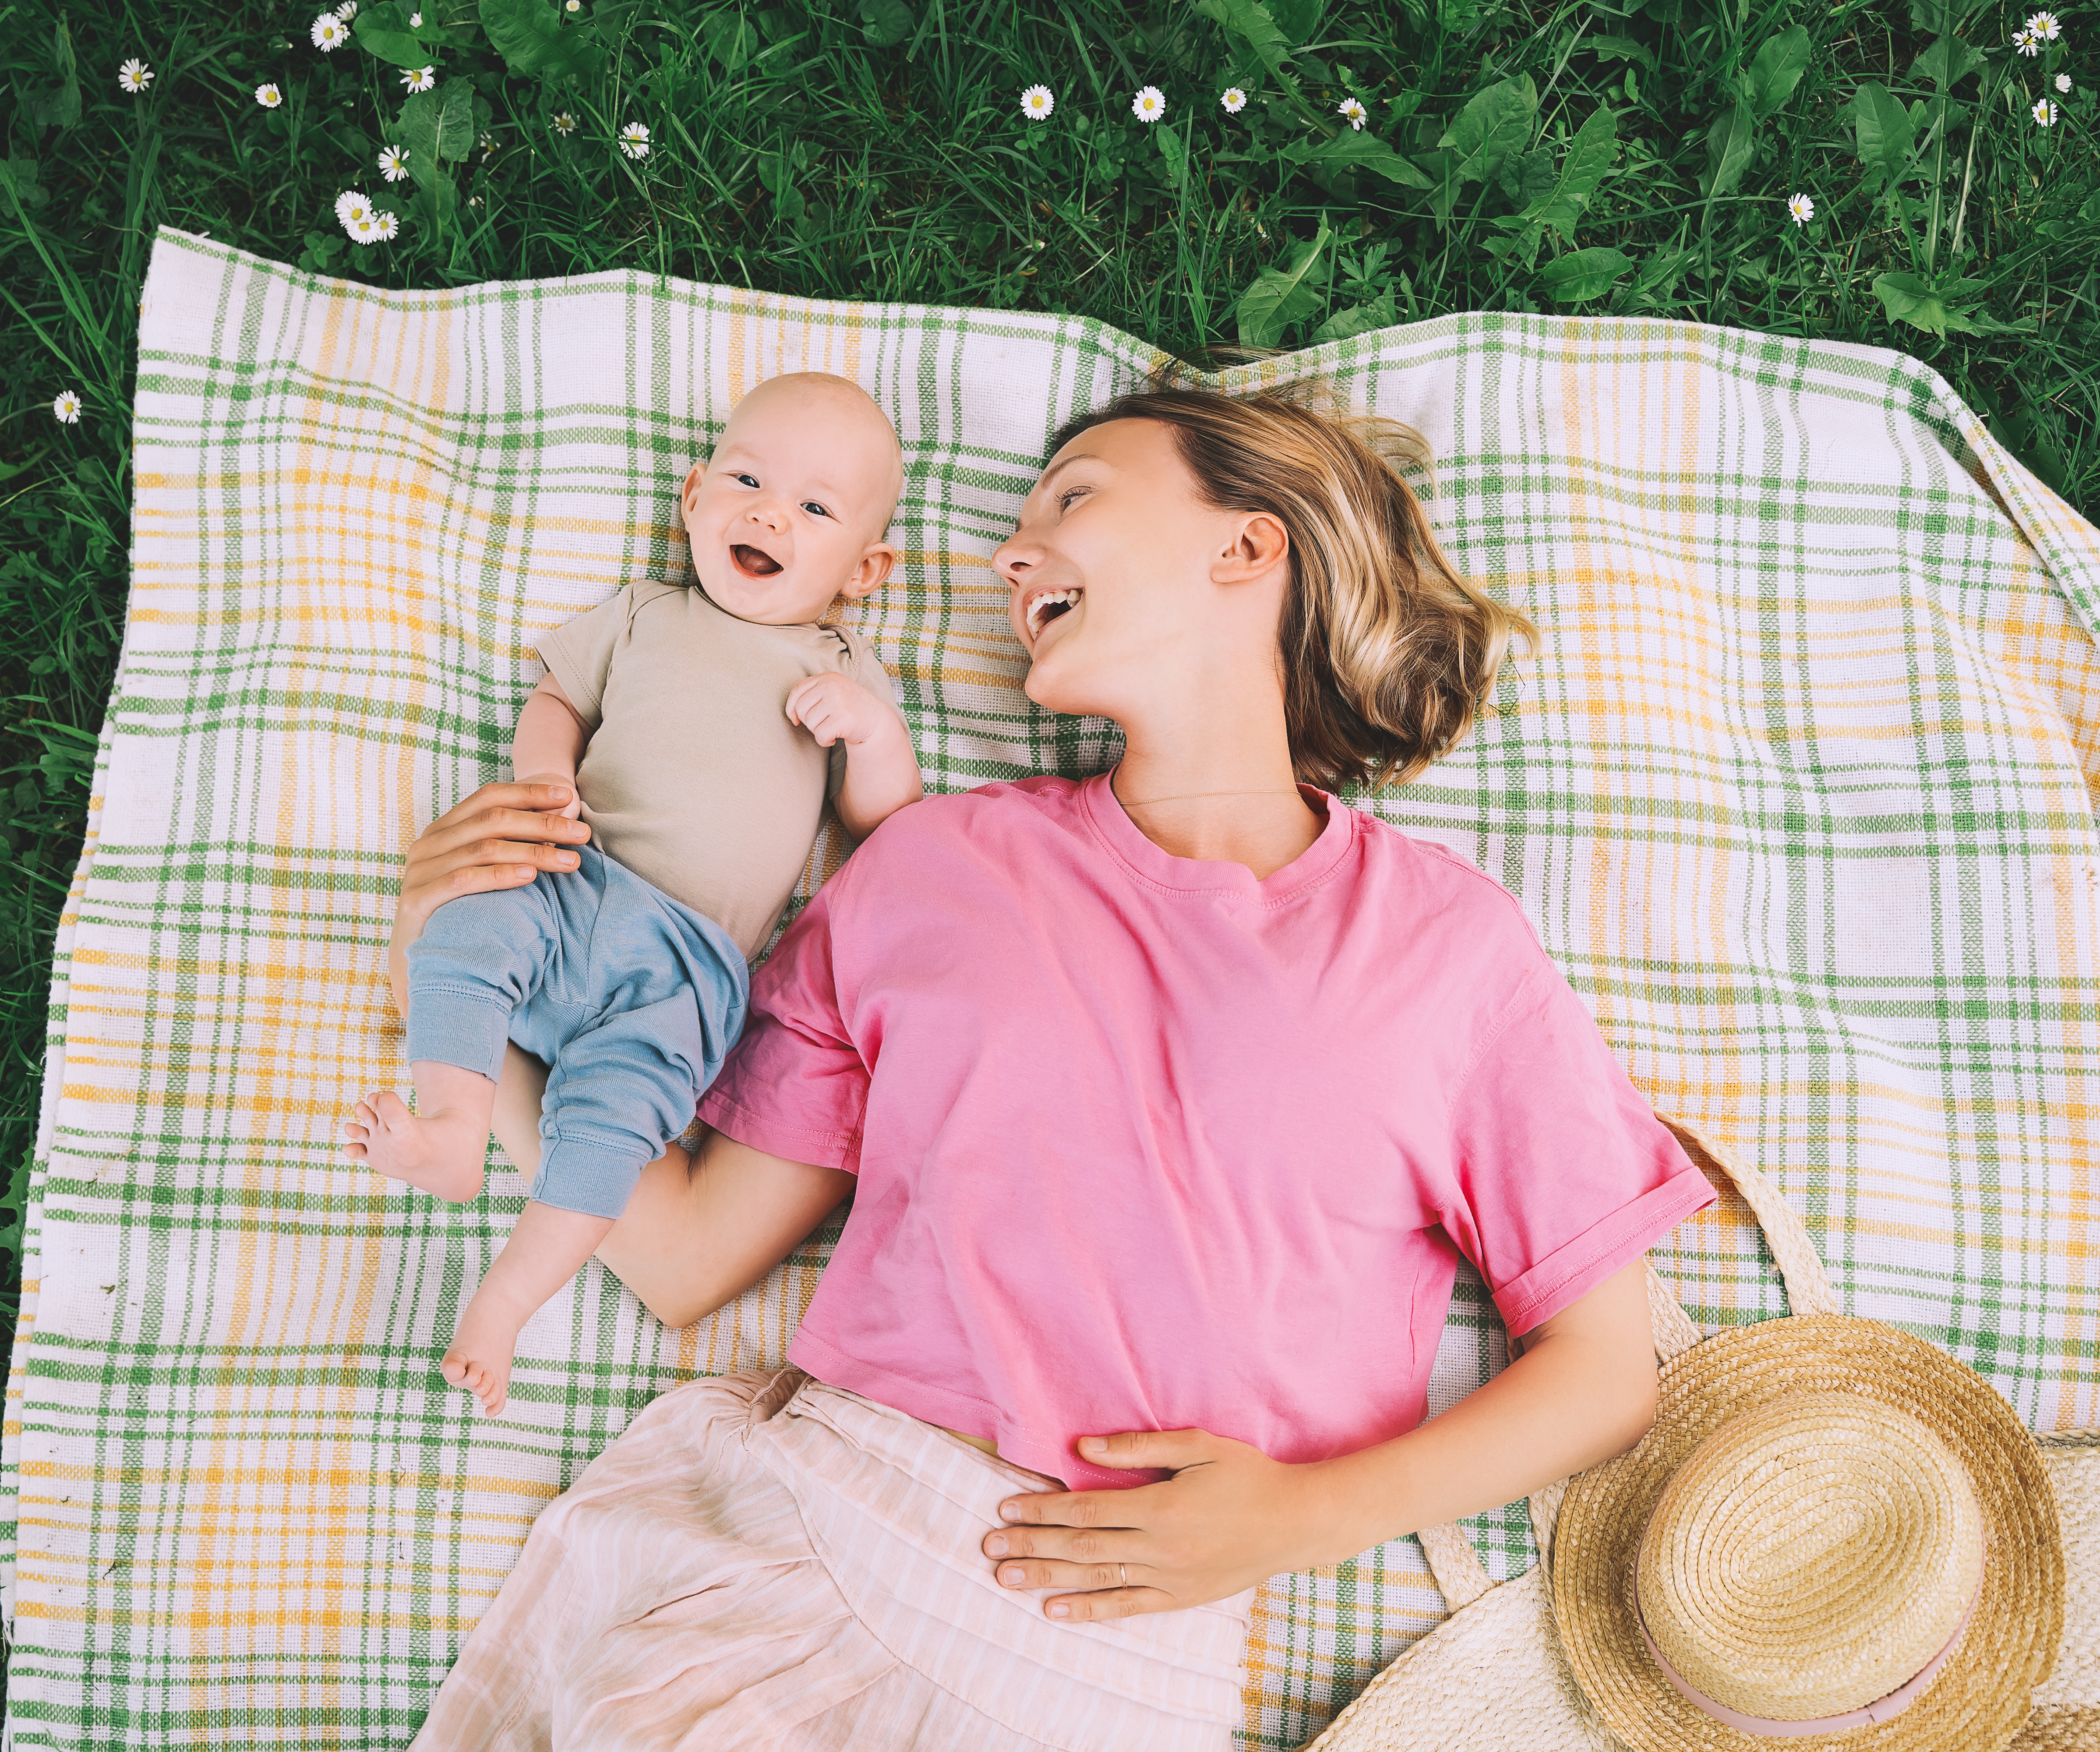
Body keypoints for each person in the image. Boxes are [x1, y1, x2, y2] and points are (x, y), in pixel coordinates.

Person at [393, 378, 1720, 1749]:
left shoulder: (1451, 949)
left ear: (1248, 549)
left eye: (1074, 498)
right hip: (807, 1550)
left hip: (1119, 1659)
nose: (1010, 555)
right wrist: (447, 960)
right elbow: (676, 1254)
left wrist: (1306, 1516)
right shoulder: (931, 865)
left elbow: (1605, 1368)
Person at [343, 371, 922, 1418]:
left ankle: (508, 1300)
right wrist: (546, 775)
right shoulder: (645, 612)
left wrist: (873, 736)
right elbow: (558, 697)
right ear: (693, 496)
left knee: (613, 1126)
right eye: (746, 480)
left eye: (815, 509)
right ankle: (453, 1122)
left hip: (688, 968)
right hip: (574, 877)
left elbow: (887, 823)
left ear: (864, 570)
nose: (768, 513)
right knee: (469, 930)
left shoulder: (840, 665)